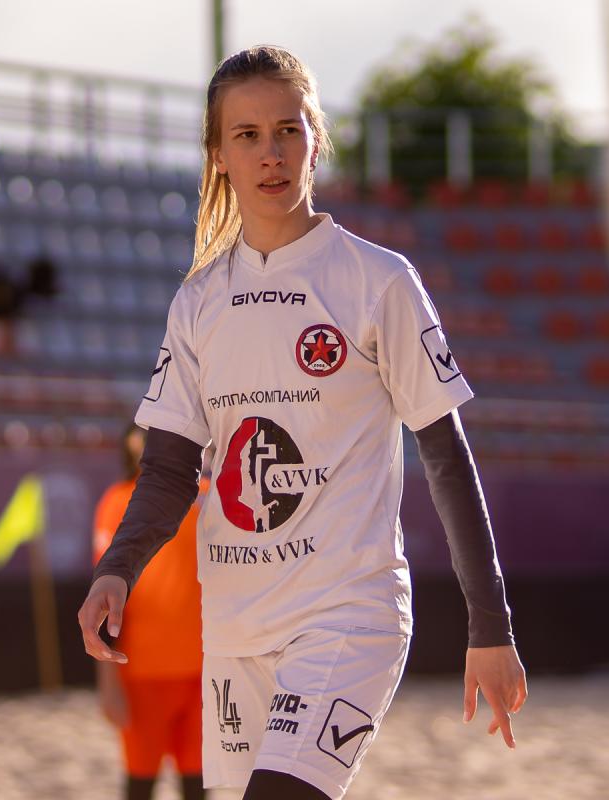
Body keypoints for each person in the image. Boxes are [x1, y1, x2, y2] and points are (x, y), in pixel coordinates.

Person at [79, 45, 527, 800]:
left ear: (315, 139)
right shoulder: (198, 302)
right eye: (247, 135)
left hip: (345, 616)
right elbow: (167, 469)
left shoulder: (379, 281)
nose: (271, 153)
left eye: (288, 129)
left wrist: (491, 625)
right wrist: (117, 569)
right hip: (235, 627)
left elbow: (446, 457)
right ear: (219, 155)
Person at [92, 423, 207, 800]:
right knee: (140, 782)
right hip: (141, 672)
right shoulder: (117, 502)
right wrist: (107, 680)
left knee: (198, 781)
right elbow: (104, 596)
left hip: (204, 669)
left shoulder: (208, 497)